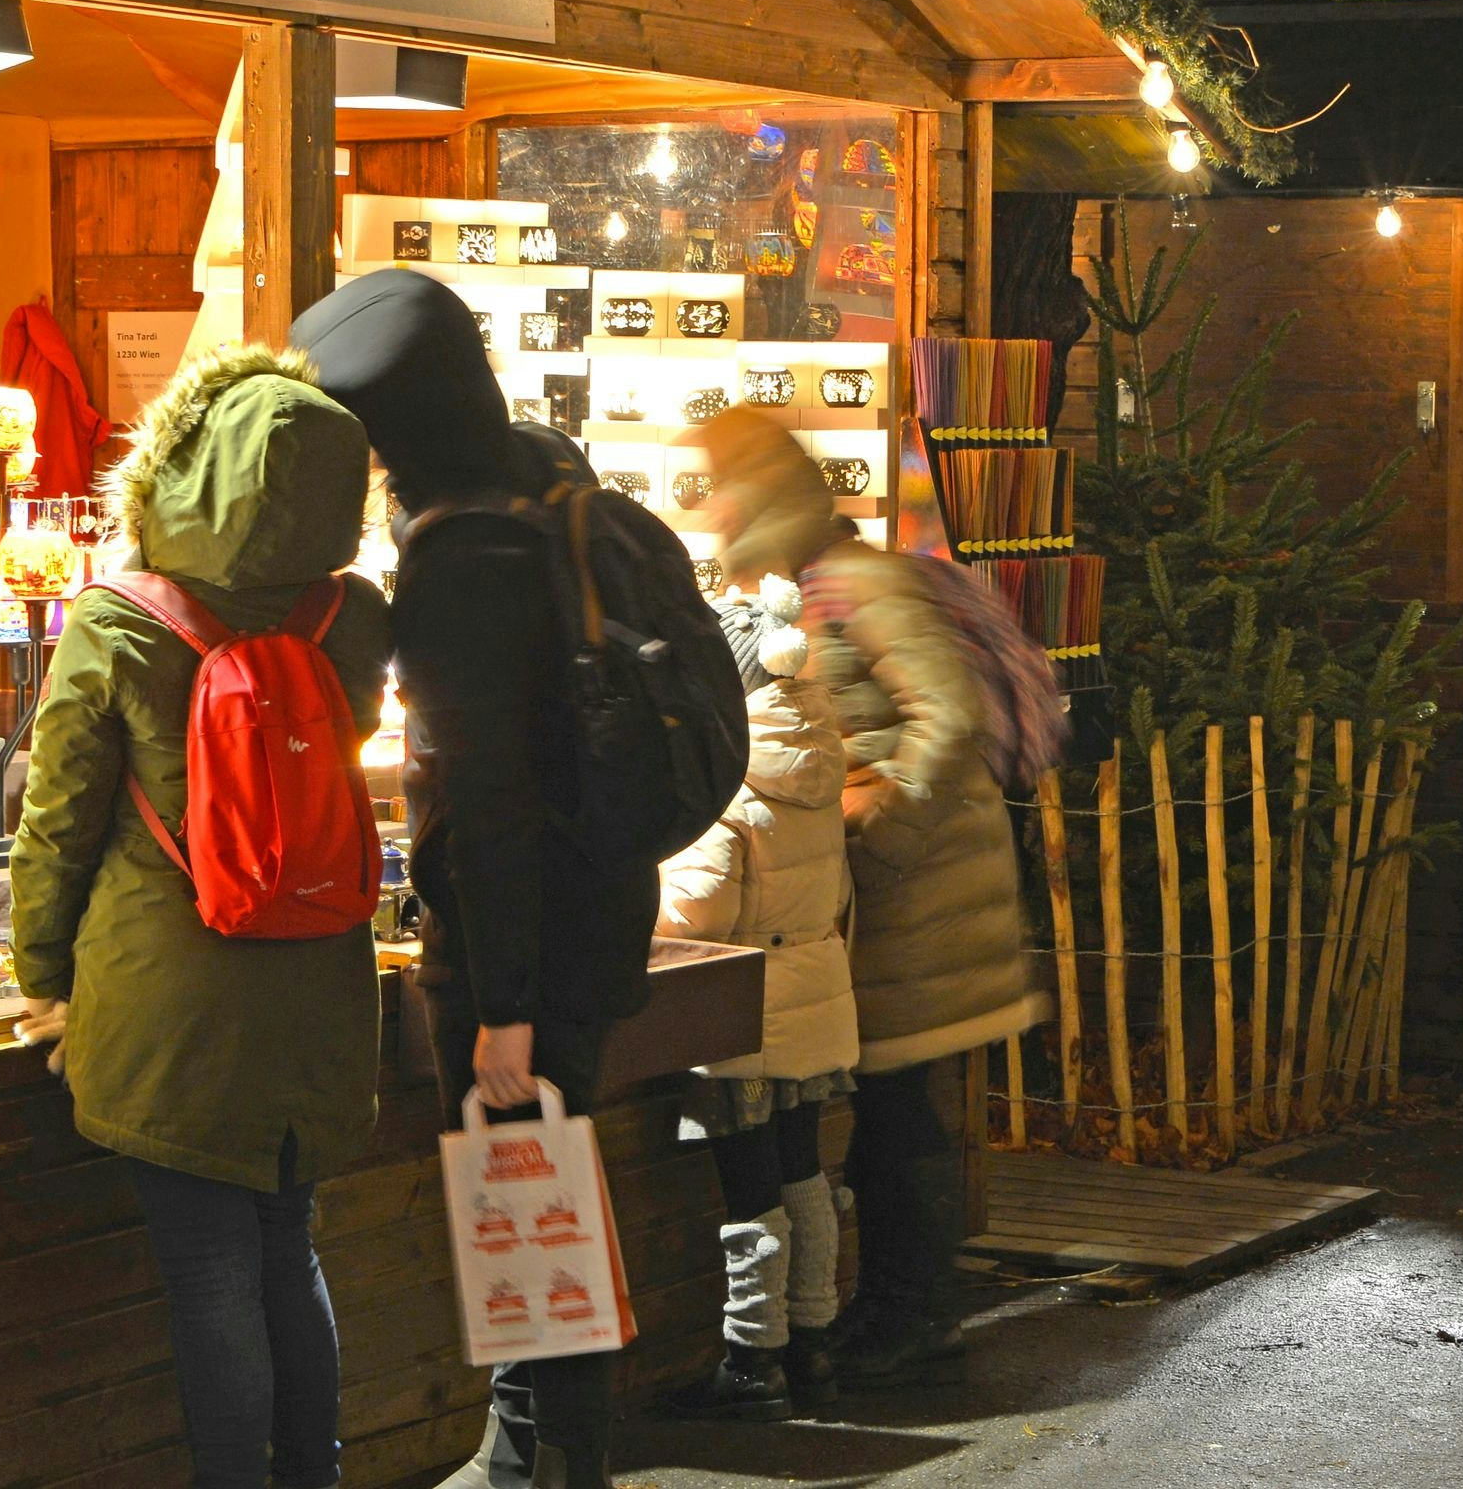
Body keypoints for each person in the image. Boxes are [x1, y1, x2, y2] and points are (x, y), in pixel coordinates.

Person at [294, 270, 654, 1489]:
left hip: (523, 942)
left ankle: (553, 1467)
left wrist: (500, 1005)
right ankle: (524, 1449)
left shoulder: (461, 566)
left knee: (528, 1199)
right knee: (537, 1197)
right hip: (601, 902)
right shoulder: (550, 478)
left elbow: (488, 802)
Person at [8, 344, 391, 1489]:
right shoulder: (352, 620)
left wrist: (41, 981)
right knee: (288, 1248)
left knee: (208, 1270)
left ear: (176, 466)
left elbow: (57, 826)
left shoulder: (118, 623)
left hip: (166, 1002)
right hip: (318, 986)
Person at [697, 408, 1045, 1385]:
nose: (711, 505)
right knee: (891, 1109)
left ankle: (910, 1312)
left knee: (895, 1114)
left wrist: (875, 840)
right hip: (892, 896)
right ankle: (892, 1308)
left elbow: (947, 714)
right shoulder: (799, 591)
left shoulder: (855, 584)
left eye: (722, 484)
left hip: (917, 896)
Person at [655, 581, 859, 1421]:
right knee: (804, 1168)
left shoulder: (727, 786)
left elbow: (691, 914)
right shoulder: (818, 758)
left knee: (750, 1191)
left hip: (742, 1011)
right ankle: (815, 1337)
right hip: (814, 996)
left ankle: (753, 1359)